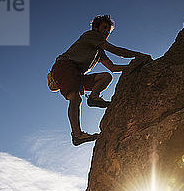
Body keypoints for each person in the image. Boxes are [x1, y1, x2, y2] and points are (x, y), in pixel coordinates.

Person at [50, 15, 149, 145]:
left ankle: (94, 97)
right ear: (96, 28)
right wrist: (138, 55)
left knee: (106, 77)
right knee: (75, 98)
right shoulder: (91, 35)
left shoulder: (99, 51)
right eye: (104, 28)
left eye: (108, 30)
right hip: (65, 66)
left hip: (77, 74)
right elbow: (116, 50)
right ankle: (77, 135)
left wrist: (133, 66)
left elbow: (112, 68)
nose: (106, 31)